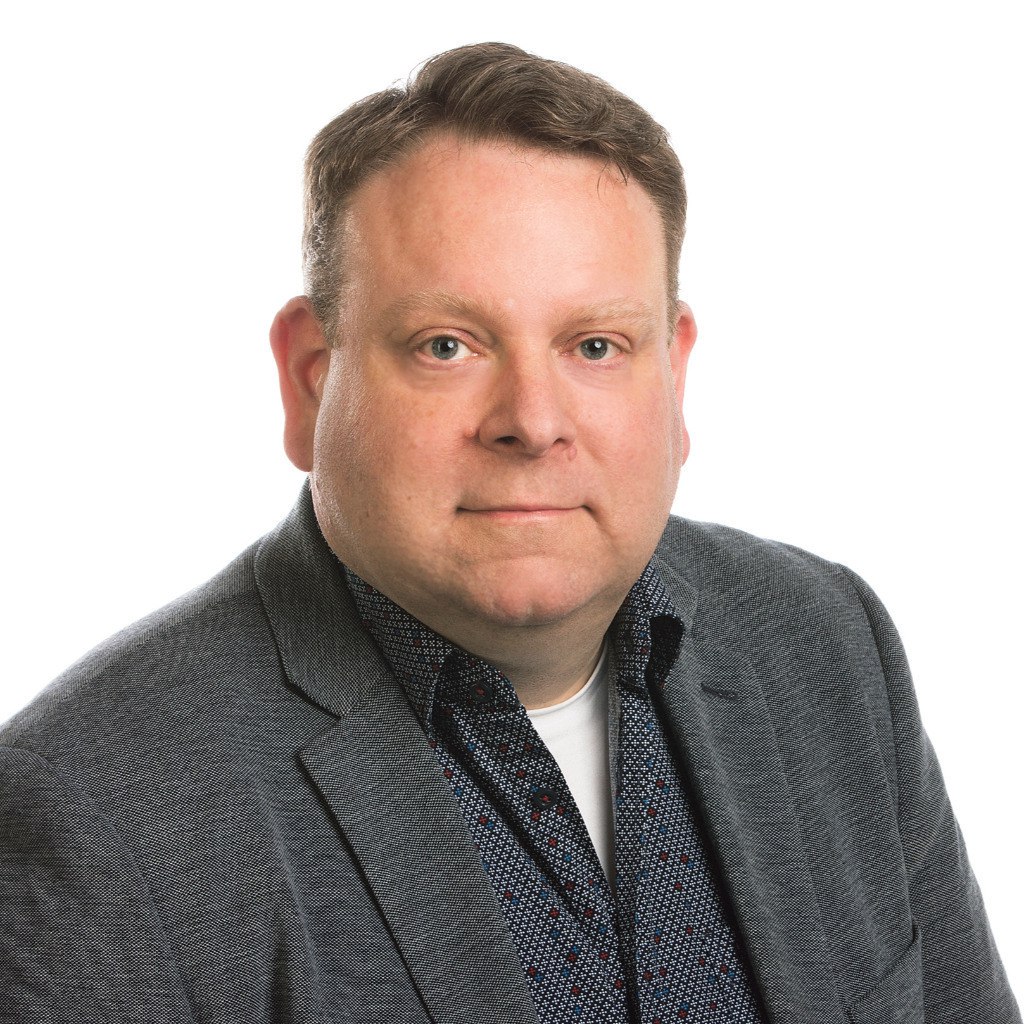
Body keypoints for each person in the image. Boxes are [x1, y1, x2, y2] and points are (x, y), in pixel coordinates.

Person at [0, 41, 1017, 1024]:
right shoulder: (100, 809)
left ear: (674, 373)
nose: (532, 421)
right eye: (447, 345)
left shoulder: (826, 644)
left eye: (595, 345)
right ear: (310, 381)